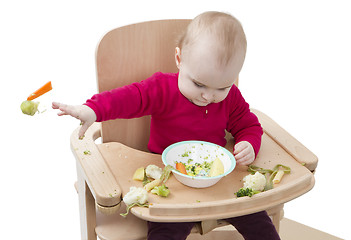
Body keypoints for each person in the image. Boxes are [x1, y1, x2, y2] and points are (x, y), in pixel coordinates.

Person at [53, 11, 280, 240]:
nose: (208, 96)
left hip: (219, 183)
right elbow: (127, 98)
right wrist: (92, 109)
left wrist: (249, 143)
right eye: (199, 83)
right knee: (164, 233)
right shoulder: (162, 88)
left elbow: (249, 126)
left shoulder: (231, 98)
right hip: (169, 182)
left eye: (221, 87)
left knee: (260, 223)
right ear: (179, 59)